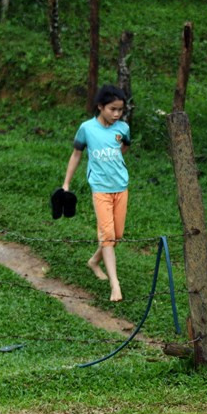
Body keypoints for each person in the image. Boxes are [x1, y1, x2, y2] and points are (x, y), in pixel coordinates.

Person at [62, 85, 131, 302]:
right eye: (112, 109)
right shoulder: (87, 129)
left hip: (121, 186)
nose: (117, 114)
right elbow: (76, 155)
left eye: (120, 110)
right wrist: (66, 183)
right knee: (108, 237)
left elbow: (124, 148)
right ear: (100, 107)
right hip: (100, 189)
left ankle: (94, 261)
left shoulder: (123, 128)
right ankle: (115, 285)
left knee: (116, 235)